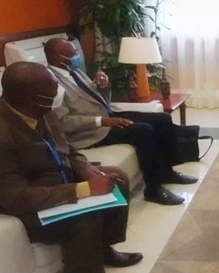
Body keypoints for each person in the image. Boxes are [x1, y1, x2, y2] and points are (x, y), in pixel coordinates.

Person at [0, 62, 142, 273]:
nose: (58, 91)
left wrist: (85, 169)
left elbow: (66, 148)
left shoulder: (41, 111)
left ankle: (103, 250)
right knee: (83, 215)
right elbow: (16, 197)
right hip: (26, 204)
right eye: (53, 89)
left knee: (117, 178)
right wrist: (83, 190)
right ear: (33, 99)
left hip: (56, 179)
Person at [43, 37, 197, 206]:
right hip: (91, 131)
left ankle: (167, 172)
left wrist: (104, 84)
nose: (76, 56)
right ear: (58, 57)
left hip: (108, 114)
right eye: (72, 54)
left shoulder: (74, 72)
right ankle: (153, 190)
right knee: (143, 131)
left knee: (162, 119)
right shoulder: (51, 83)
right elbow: (63, 122)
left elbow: (99, 99)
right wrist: (101, 121)